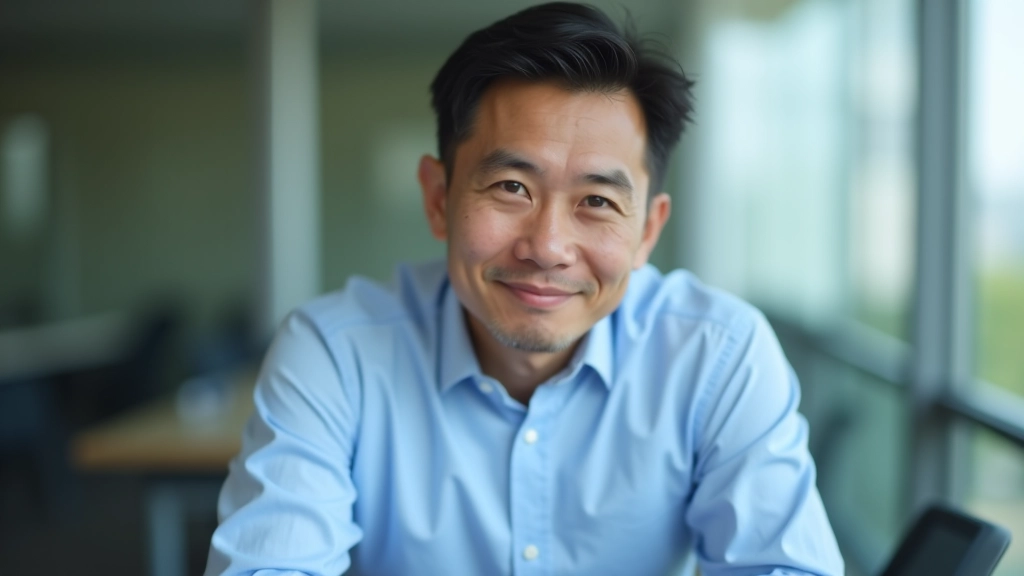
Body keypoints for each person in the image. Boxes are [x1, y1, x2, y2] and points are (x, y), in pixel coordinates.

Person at [205, 3, 844, 575]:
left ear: (648, 231)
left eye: (597, 200)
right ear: (438, 198)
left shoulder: (717, 355)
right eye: (512, 187)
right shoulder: (335, 353)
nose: (547, 246)